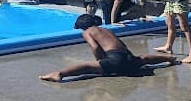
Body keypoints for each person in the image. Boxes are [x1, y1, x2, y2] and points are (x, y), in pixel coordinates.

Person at [39, 14, 177, 82]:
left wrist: (101, 64)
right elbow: (120, 45)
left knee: (86, 67)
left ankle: (60, 74)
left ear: (82, 26)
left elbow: (94, 47)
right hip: (127, 57)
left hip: (115, 60)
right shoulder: (105, 29)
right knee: (142, 59)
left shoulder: (87, 32)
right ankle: (169, 58)